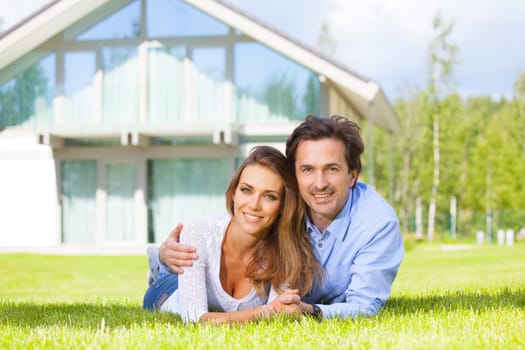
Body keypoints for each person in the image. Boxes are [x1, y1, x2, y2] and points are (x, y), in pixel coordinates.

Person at [155, 115, 404, 319]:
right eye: (307, 170)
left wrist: (311, 310)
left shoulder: (378, 225)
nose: (319, 184)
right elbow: (235, 223)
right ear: (294, 174)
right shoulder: (286, 203)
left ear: (352, 175)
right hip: (189, 283)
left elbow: (365, 305)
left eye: (332, 169)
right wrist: (164, 254)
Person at [143, 145, 322, 323]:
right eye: (246, 190)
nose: (254, 205)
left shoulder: (286, 251)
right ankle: (160, 264)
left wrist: (277, 310)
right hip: (169, 289)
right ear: (234, 193)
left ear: (283, 206)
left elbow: (278, 312)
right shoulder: (199, 232)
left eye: (269, 196)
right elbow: (193, 319)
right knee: (177, 276)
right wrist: (262, 313)